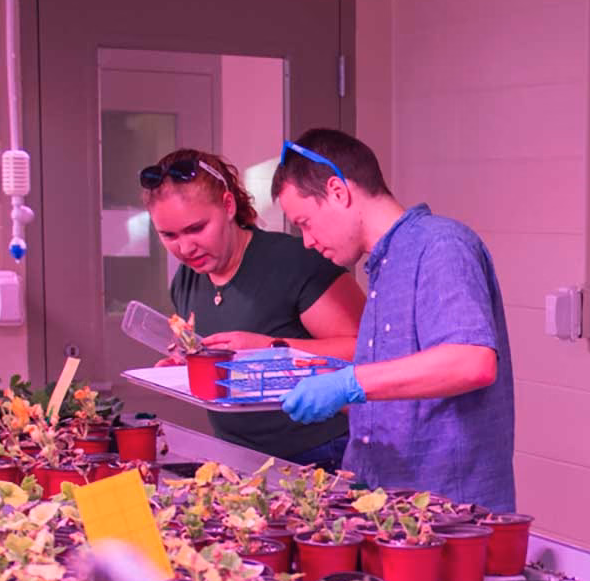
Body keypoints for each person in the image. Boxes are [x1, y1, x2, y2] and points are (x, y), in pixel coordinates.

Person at [273, 129, 517, 512]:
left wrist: (350, 382)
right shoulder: (382, 266)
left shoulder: (440, 245)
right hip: (384, 505)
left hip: (447, 519)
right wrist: (318, 381)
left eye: (305, 222)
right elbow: (403, 393)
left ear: (338, 191)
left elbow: (472, 363)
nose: (306, 241)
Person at [143, 148, 364, 470]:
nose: (185, 248)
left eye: (196, 229)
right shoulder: (187, 279)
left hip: (324, 452)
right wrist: (188, 365)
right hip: (237, 456)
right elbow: (223, 364)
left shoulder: (295, 262)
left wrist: (269, 348)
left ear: (229, 205)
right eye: (169, 235)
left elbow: (367, 352)